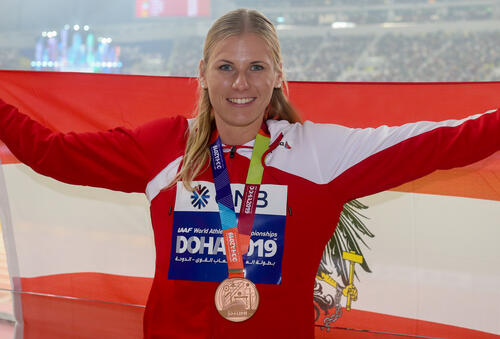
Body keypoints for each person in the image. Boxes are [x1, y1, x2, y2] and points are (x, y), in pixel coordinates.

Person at [0, 8, 499, 339]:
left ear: (279, 74)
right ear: (201, 72)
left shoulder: (323, 153)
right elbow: (50, 153)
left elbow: (445, 143)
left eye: (257, 67)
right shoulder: (162, 146)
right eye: (225, 67)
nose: (241, 83)